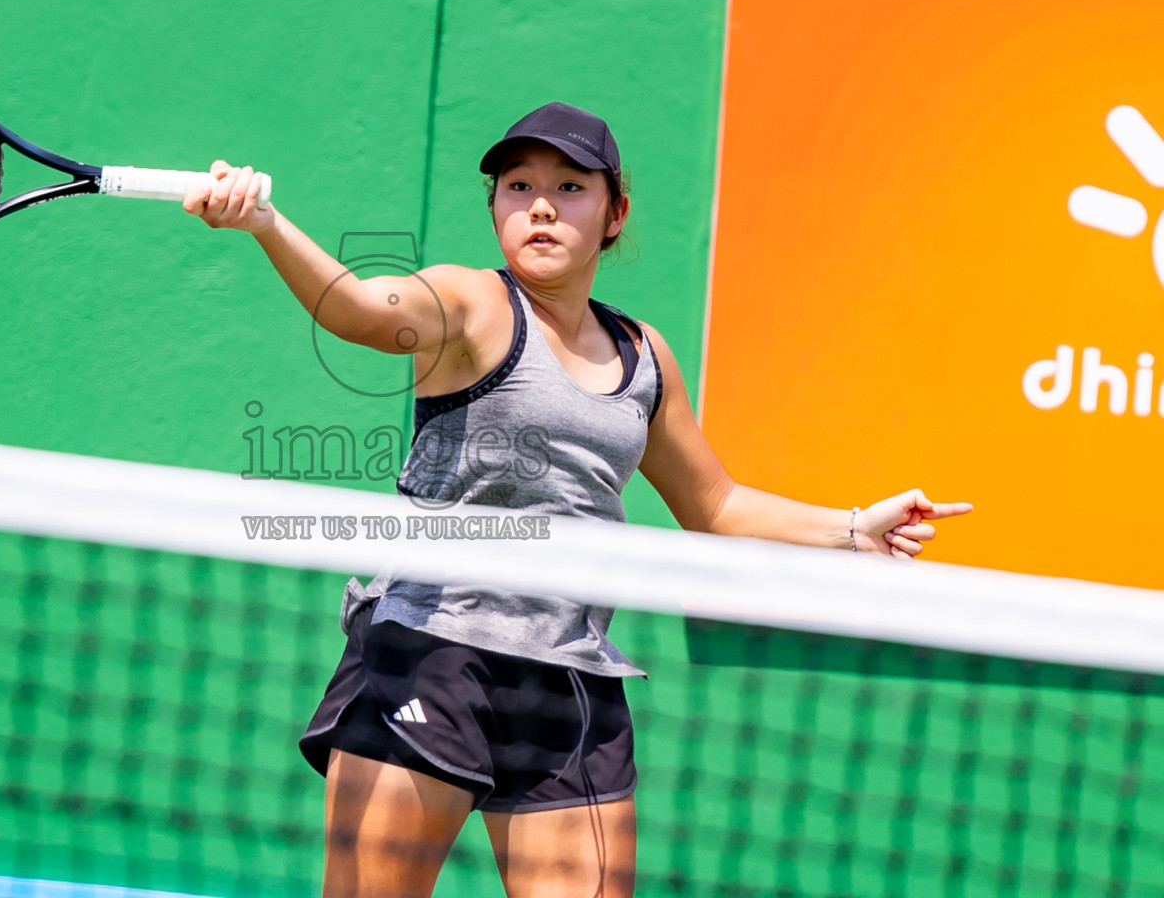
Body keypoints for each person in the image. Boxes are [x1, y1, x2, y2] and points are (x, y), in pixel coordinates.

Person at [182, 102, 971, 898]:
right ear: (494, 205)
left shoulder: (643, 354)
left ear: (615, 212)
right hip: (429, 658)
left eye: (570, 185)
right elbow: (354, 308)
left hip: (568, 682)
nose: (542, 205)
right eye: (518, 185)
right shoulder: (469, 304)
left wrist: (850, 530)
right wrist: (265, 223)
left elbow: (715, 505)